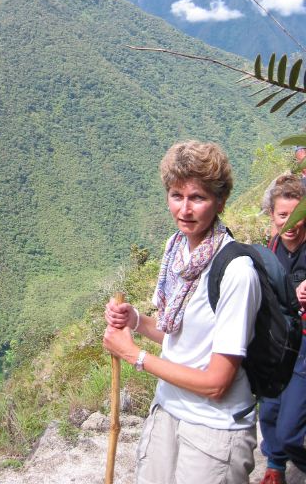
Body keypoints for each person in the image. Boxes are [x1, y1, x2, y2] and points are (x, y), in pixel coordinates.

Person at [103, 140, 262, 484]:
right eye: (177, 195)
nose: (185, 210)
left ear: (220, 201)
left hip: (214, 430)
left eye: (198, 198)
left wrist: (135, 356)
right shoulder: (176, 250)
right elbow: (182, 333)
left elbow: (216, 383)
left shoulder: (236, 272)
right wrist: (136, 321)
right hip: (168, 411)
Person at [258, 174, 306, 484]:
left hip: (303, 346)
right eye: (282, 215)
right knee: (269, 410)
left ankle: (292, 455)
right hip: (276, 342)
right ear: (273, 216)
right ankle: (275, 464)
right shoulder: (270, 249)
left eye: (297, 215)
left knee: (291, 430)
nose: (291, 223)